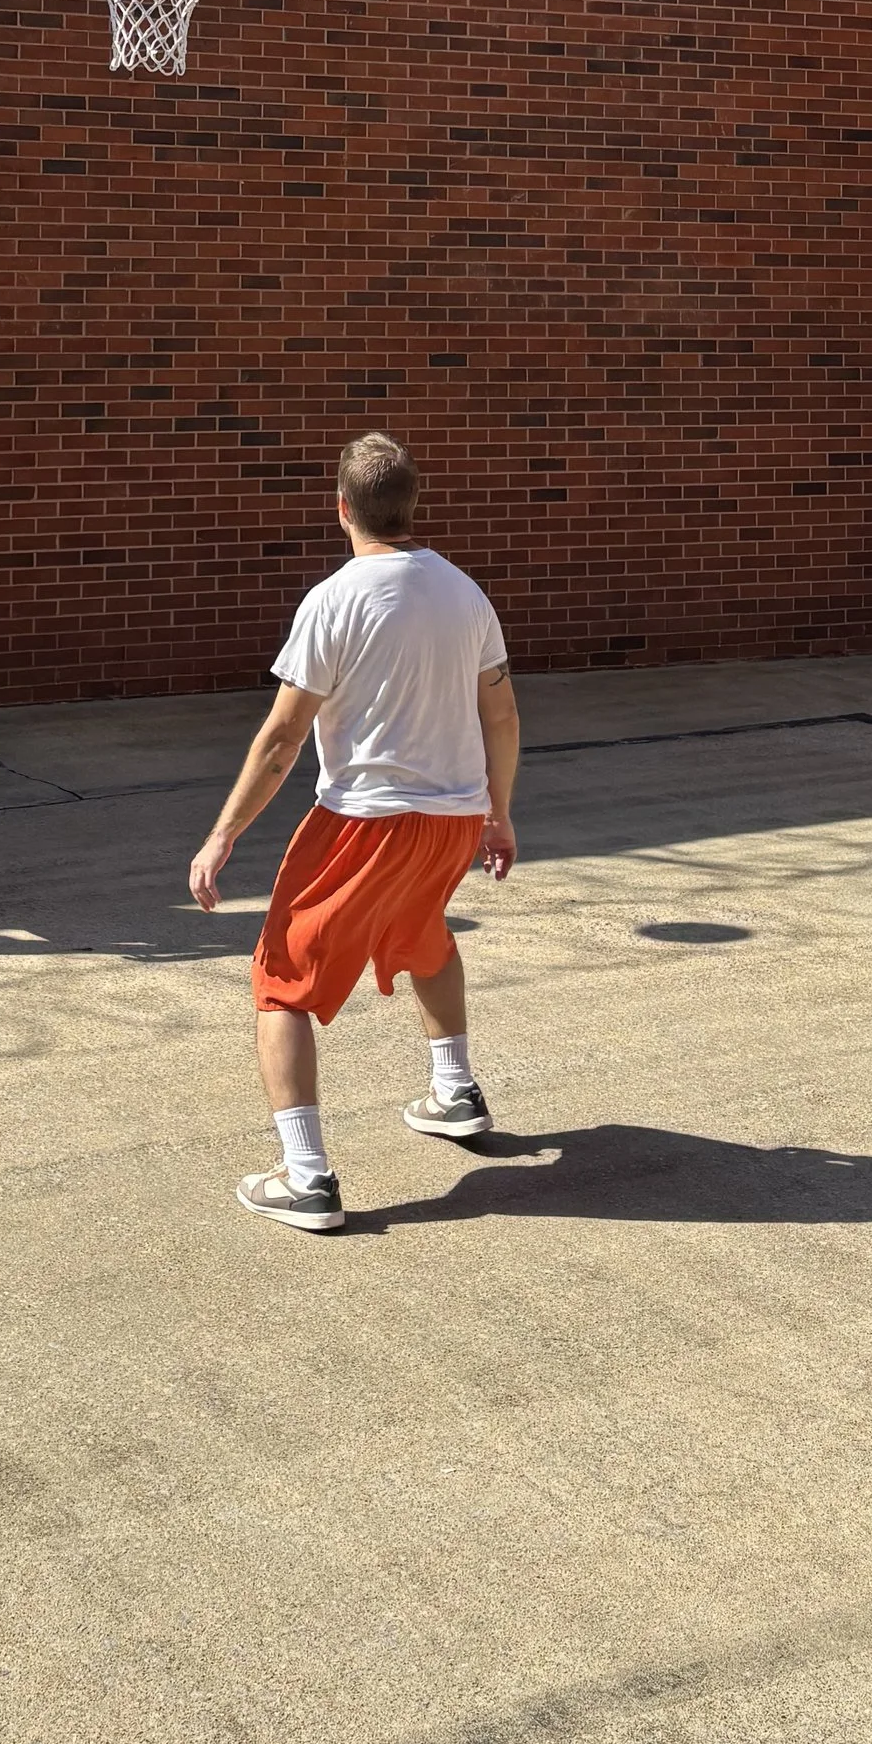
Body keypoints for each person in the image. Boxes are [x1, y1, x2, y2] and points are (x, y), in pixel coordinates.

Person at [189, 433, 520, 1232]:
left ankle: (305, 1176)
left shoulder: (334, 599)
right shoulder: (466, 592)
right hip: (454, 815)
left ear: (342, 508)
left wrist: (222, 833)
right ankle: (454, 1090)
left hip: (363, 822)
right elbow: (502, 712)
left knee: (280, 980)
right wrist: (499, 812)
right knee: (424, 931)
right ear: (413, 504)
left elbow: (280, 739)